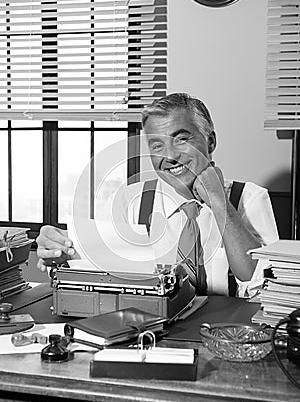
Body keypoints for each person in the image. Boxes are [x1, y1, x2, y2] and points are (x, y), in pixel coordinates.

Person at [36, 93, 278, 297]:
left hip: (226, 338)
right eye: (157, 145)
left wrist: (218, 200)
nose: (169, 156)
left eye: (182, 139)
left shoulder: (250, 198)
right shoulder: (130, 201)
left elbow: (263, 287)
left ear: (211, 141)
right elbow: (99, 273)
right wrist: (59, 255)